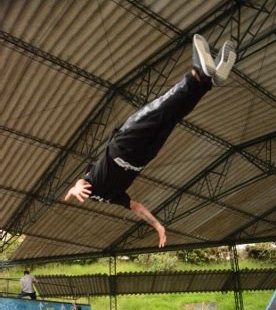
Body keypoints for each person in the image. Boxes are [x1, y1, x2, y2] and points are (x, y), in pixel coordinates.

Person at [64, 34, 237, 247]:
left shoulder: (92, 188)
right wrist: (157, 226)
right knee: (168, 114)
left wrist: (75, 188)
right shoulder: (112, 197)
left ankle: (201, 77)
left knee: (164, 112)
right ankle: (204, 79)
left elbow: (81, 183)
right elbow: (137, 207)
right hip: (137, 152)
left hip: (127, 147)